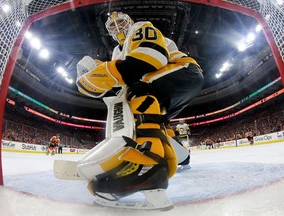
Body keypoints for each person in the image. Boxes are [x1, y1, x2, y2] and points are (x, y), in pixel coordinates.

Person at [75, 12, 204, 209]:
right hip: (163, 88)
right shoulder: (117, 54)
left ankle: (148, 167)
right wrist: (96, 73)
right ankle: (179, 156)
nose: (117, 28)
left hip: (182, 69)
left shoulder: (140, 27)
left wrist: (105, 74)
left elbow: (151, 57)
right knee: (140, 113)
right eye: (112, 26)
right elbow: (119, 86)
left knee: (138, 91)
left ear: (129, 22)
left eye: (120, 22)